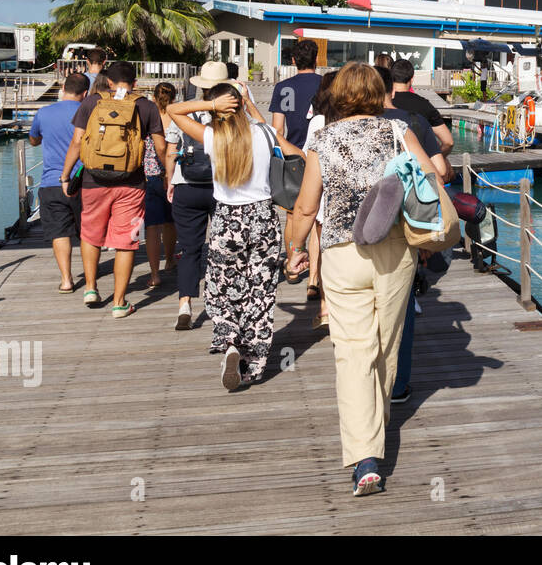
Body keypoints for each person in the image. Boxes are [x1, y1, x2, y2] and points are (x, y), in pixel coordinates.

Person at [284, 62, 437, 496]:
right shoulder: (397, 131)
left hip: (341, 253)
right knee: (386, 346)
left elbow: (306, 207)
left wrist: (295, 250)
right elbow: (431, 176)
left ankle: (364, 457)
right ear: (376, 93)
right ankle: (375, 431)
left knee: (353, 352)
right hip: (394, 250)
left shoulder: (324, 139)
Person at [168, 84, 303, 390]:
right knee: (261, 292)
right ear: (242, 104)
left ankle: (229, 341)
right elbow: (299, 156)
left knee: (222, 286)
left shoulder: (212, 136)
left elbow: (173, 111)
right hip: (263, 218)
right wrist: (251, 108)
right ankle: (250, 366)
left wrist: (211, 104)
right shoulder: (265, 135)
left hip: (227, 218)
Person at [60, 61, 166, 317]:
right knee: (126, 241)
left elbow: (77, 142)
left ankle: (90, 288)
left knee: (90, 233)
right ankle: (119, 302)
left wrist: (66, 176)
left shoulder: (91, 102)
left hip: (93, 181)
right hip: (131, 183)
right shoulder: (146, 105)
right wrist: (165, 175)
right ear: (135, 82)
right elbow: (161, 147)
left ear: (108, 81)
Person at [375, 64, 451, 405]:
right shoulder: (413, 122)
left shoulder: (342, 127)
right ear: (394, 90)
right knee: (400, 307)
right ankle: (398, 385)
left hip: (356, 232)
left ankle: (367, 384)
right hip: (403, 227)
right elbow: (439, 172)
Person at [28, 72, 90, 293]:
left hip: (52, 182)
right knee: (87, 232)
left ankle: (66, 280)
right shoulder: (88, 112)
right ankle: (90, 277)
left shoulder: (43, 113)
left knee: (59, 232)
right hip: (84, 182)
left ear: (63, 88)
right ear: (85, 93)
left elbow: (33, 140)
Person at [165, 70, 216, 331]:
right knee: (220, 247)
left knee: (189, 249)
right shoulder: (230, 114)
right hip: (221, 189)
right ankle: (220, 302)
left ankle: (185, 303)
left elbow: (171, 150)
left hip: (187, 185)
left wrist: (169, 181)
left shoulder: (185, 114)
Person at [303, 72, 339, 328]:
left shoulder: (318, 121)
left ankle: (325, 306)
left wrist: (295, 248)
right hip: (350, 197)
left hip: (324, 193)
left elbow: (308, 158)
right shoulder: (357, 118)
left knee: (326, 249)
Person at [143, 82, 177, 288]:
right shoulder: (176, 116)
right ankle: (170, 259)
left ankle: (154, 272)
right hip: (172, 173)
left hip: (150, 173)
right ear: (173, 97)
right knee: (170, 221)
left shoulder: (148, 115)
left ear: (154, 97)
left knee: (152, 225)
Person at [390, 58, 454, 156]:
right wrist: (434, 160)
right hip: (418, 164)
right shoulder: (425, 105)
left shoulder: (383, 104)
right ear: (412, 79)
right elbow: (448, 142)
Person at [270, 39, 322, 146]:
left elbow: (278, 129)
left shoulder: (283, 87)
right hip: (322, 151)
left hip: (294, 152)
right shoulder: (329, 84)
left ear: (293, 60)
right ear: (316, 59)